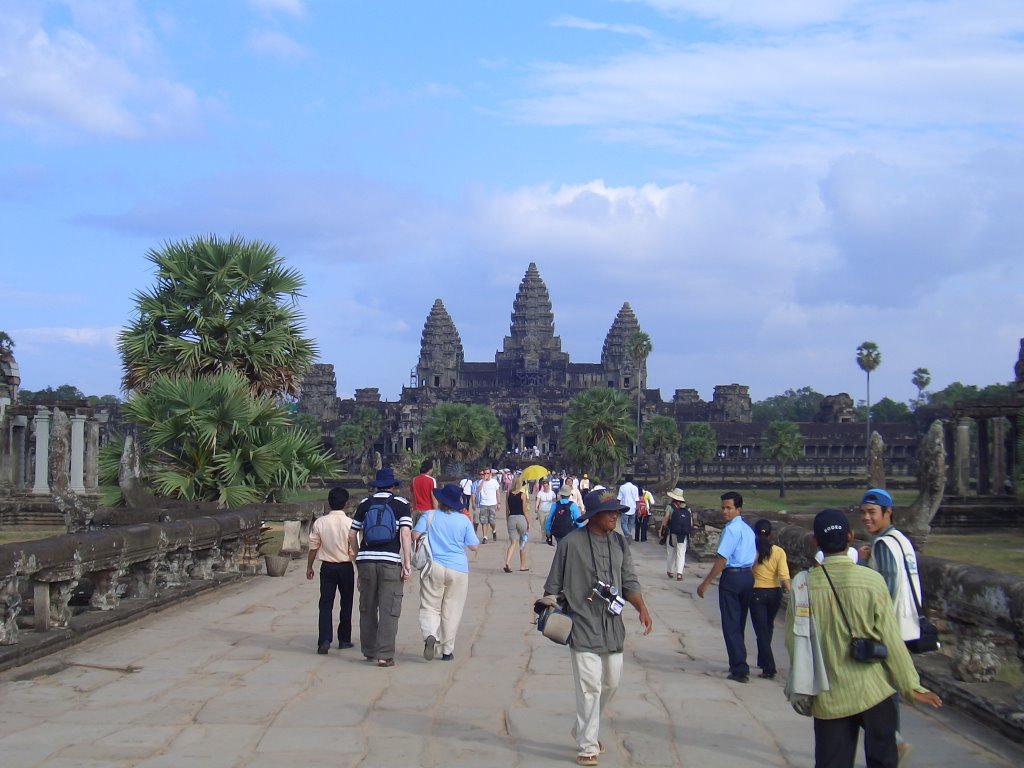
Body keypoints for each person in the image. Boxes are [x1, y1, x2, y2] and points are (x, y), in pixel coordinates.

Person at [787, 509, 941, 768]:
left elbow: (795, 643)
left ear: (815, 541)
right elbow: (892, 641)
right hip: (873, 692)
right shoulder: (872, 581)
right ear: (850, 537)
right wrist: (911, 687)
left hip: (829, 695)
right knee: (883, 760)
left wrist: (803, 685)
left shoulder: (802, 586)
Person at [543, 489, 653, 766]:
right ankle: (588, 745)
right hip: (581, 623)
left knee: (611, 682)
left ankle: (582, 728)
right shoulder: (570, 543)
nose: (615, 515)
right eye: (609, 512)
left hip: (612, 625)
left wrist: (642, 608)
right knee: (589, 685)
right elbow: (553, 584)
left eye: (617, 511)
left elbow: (629, 578)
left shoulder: (619, 543)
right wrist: (547, 609)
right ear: (593, 516)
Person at [858, 488, 924, 764]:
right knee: (887, 690)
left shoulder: (883, 545)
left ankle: (892, 742)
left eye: (872, 513)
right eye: (863, 513)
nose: (866, 518)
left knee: (876, 692)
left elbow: (883, 591)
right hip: (907, 627)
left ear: (888, 513)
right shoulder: (900, 540)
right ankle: (892, 741)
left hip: (889, 631)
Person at [349, 467, 413, 668]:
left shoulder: (365, 504)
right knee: (389, 608)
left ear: (376, 486)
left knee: (367, 606)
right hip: (390, 561)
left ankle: (369, 650)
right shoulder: (401, 504)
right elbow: (405, 535)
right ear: (393, 486)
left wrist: (358, 558)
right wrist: (407, 563)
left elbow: (352, 535)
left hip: (366, 561)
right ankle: (384, 654)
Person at [413, 483, 480, 661]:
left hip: (433, 566)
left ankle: (430, 635)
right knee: (452, 609)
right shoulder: (463, 520)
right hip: (458, 568)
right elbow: (474, 546)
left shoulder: (429, 516)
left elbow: (414, 535)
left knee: (430, 605)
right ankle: (447, 650)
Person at [697, 491, 755, 682]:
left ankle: (739, 667)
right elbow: (754, 556)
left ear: (738, 509)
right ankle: (739, 661)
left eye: (729, 508)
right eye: (723, 507)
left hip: (733, 577)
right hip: (747, 576)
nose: (725, 511)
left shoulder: (731, 530)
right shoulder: (747, 529)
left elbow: (722, 559)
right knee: (739, 622)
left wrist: (706, 582)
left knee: (731, 623)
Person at [306, 487, 356, 654]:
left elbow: (313, 547)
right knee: (346, 602)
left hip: (327, 566)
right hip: (345, 566)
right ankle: (344, 639)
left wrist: (309, 566)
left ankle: (325, 639)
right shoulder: (350, 523)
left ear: (329, 503)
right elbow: (354, 549)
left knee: (326, 603)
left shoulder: (320, 522)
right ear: (346, 503)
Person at [750, 519, 791, 680]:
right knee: (767, 627)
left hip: (757, 591)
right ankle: (763, 659)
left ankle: (769, 666)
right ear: (771, 534)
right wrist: (793, 594)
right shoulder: (779, 552)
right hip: (775, 592)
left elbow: (748, 566)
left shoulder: (753, 549)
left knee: (761, 631)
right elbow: (784, 575)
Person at [658, 487, 691, 581]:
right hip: (683, 534)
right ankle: (679, 573)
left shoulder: (670, 507)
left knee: (671, 552)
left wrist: (661, 530)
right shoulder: (688, 508)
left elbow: (665, 520)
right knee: (681, 553)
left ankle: (670, 571)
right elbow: (691, 523)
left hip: (672, 532)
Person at [503, 473, 531, 572]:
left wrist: (507, 519)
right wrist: (529, 522)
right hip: (521, 518)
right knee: (522, 542)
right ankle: (522, 565)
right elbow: (524, 510)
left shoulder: (508, 493)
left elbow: (507, 509)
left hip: (511, 518)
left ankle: (507, 561)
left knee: (513, 542)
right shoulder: (522, 494)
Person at [477, 467, 501, 543]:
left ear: (490, 474)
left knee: (492, 521)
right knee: (484, 521)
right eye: (484, 473)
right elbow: (478, 490)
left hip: (492, 504)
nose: (486, 475)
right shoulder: (481, 481)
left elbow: (498, 493)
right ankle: (485, 537)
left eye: (488, 473)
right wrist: (483, 480)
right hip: (483, 504)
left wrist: (499, 503)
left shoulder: (494, 482)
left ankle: (494, 530)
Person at [410, 458, 437, 523]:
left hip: (416, 511)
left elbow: (412, 497)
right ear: (430, 469)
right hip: (428, 512)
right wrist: (436, 513)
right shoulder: (431, 480)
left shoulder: (414, 480)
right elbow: (434, 498)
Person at [616, 475, 639, 541]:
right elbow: (637, 499)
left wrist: (617, 506)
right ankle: (628, 536)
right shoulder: (635, 488)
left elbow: (619, 498)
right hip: (633, 507)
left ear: (625, 479)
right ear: (632, 480)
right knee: (630, 524)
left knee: (623, 523)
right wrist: (637, 508)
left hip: (624, 507)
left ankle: (628, 535)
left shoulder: (622, 487)